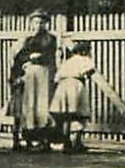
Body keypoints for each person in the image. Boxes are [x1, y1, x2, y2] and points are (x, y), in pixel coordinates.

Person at [11, 10, 60, 152]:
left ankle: (45, 140)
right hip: (31, 75)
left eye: (41, 22)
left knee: (43, 105)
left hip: (44, 74)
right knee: (30, 105)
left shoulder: (50, 39)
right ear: (31, 24)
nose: (38, 25)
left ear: (46, 24)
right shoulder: (27, 40)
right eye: (36, 22)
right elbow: (20, 56)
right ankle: (30, 138)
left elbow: (50, 55)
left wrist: (38, 57)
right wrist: (26, 61)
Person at [51, 40, 96, 153]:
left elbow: (57, 77)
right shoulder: (85, 60)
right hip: (76, 85)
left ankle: (67, 142)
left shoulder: (68, 61)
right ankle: (77, 141)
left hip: (63, 85)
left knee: (67, 115)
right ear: (85, 51)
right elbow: (90, 71)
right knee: (81, 114)